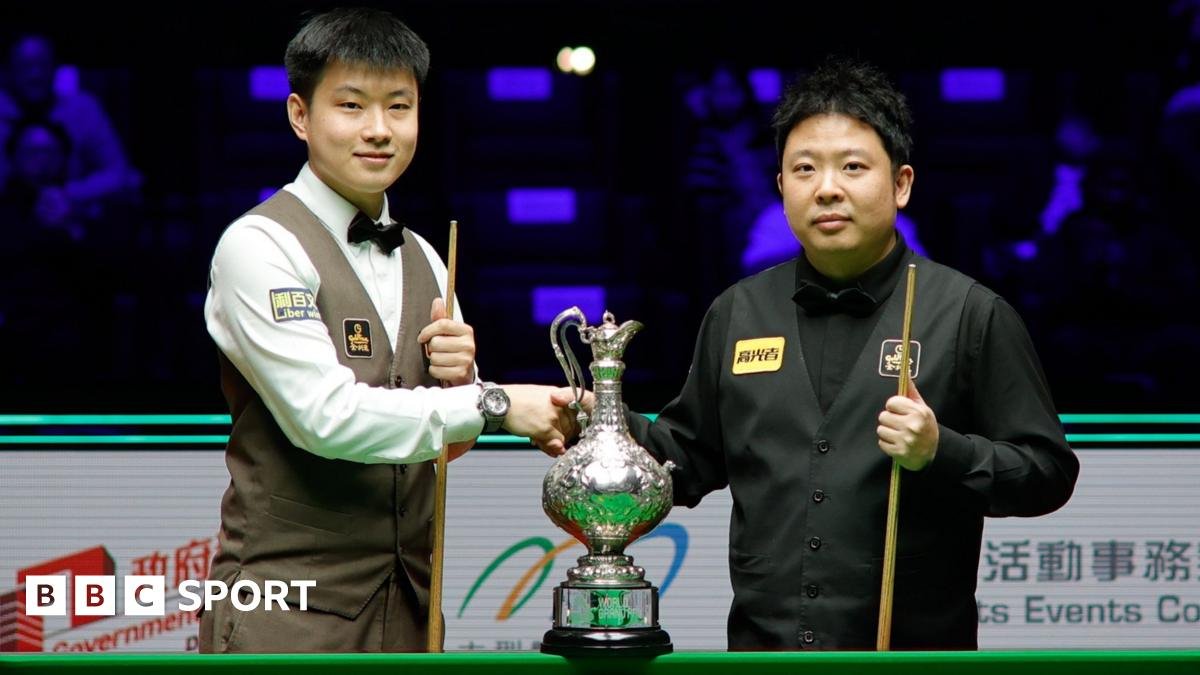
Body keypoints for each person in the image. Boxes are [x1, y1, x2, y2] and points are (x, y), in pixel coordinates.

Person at [555, 58, 1079, 650]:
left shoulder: (969, 314)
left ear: (901, 184)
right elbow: (686, 460)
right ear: (782, 187)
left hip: (910, 663)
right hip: (764, 660)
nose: (827, 187)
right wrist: (593, 421)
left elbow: (1048, 473)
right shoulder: (738, 313)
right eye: (804, 168)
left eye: (853, 167)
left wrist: (943, 451)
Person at [199, 8, 574, 653]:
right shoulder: (259, 245)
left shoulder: (427, 257)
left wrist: (462, 380)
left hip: (410, 613)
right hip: (285, 617)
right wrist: (493, 403)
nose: (378, 129)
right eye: (351, 105)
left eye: (399, 107)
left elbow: (444, 444)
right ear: (299, 115)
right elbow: (325, 418)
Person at [0, 34, 139, 227]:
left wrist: (68, 194)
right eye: (25, 66)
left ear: (56, 67)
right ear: (8, 69)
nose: (35, 74)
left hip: (71, 221)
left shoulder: (82, 109)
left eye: (43, 65)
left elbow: (120, 174)